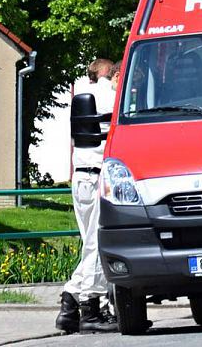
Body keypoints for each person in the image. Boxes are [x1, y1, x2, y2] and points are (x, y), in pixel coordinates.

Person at [55, 58, 118, 334]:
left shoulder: (82, 93)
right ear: (113, 74)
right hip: (97, 176)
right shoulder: (109, 95)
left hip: (81, 176)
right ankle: (89, 308)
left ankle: (69, 305)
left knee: (90, 243)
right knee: (96, 243)